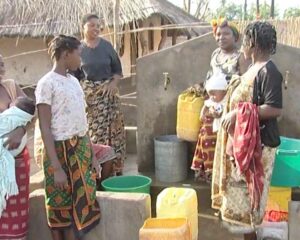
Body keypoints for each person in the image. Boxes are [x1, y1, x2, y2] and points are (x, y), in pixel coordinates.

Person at [212, 21, 283, 240]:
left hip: (257, 149)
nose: (242, 44)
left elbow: (274, 108)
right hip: (243, 146)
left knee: (249, 205)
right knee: (242, 206)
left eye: (245, 40)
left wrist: (237, 114)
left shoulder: (268, 70)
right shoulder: (252, 69)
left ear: (253, 43)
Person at [35, 35, 100, 240]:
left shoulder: (74, 82)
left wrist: (93, 156)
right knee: (59, 209)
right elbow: (45, 127)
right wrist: (56, 168)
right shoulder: (47, 84)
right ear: (65, 54)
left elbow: (81, 123)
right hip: (59, 152)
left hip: (79, 147)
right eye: (78, 54)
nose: (81, 59)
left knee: (79, 208)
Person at [191, 18, 249, 182]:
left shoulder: (240, 57)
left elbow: (244, 84)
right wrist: (206, 103)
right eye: (218, 34)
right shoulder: (215, 54)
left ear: (235, 37)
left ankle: (223, 174)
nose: (221, 37)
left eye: (226, 34)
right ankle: (209, 171)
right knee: (206, 133)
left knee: (224, 137)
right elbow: (211, 78)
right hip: (213, 103)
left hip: (230, 105)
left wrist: (231, 107)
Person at [78, 13, 126, 176]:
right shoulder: (78, 49)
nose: (96, 28)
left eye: (98, 26)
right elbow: (75, 77)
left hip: (109, 96)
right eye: (92, 25)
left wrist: (113, 83)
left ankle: (114, 170)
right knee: (93, 133)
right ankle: (95, 172)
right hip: (89, 100)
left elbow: (118, 71)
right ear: (83, 27)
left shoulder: (107, 47)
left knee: (115, 132)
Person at [0, 55, 31, 240]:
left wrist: (20, 130)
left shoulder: (10, 86)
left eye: (2, 63)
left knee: (16, 212)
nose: (1, 67)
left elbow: (30, 110)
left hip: (17, 161)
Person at [0, 96, 35, 217]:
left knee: (14, 215)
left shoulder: (10, 86)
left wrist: (20, 129)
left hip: (17, 167)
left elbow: (32, 114)